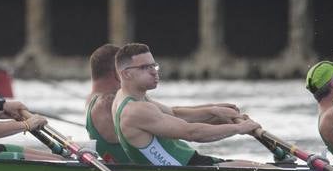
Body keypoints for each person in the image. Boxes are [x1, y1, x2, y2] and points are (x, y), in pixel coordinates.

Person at [87, 44, 245, 164]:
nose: (153, 72)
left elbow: (173, 113)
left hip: (173, 164)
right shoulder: (108, 104)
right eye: (143, 68)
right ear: (120, 72)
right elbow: (190, 132)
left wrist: (214, 111)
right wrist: (239, 128)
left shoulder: (112, 98)